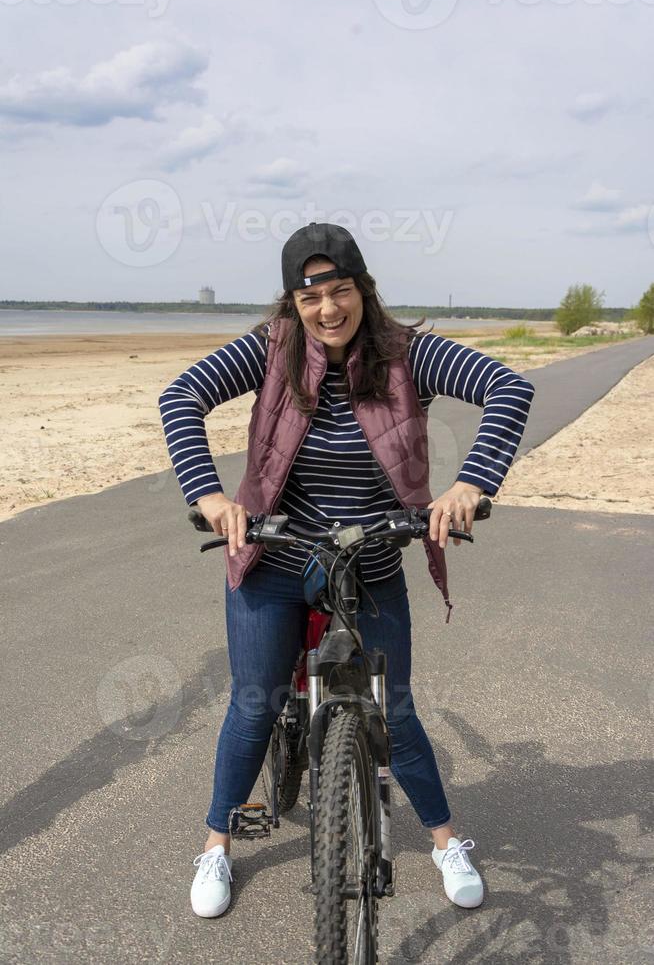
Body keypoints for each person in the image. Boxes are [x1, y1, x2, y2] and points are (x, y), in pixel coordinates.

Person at [158, 223, 535, 919]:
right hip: (274, 555)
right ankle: (216, 846)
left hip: (372, 559)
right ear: (292, 305)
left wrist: (470, 484)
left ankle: (446, 842)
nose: (328, 310)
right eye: (311, 298)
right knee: (253, 703)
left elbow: (509, 390)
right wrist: (208, 496)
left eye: (341, 290)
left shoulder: (406, 354)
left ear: (363, 287)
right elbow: (180, 398)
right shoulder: (272, 351)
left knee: (396, 708)